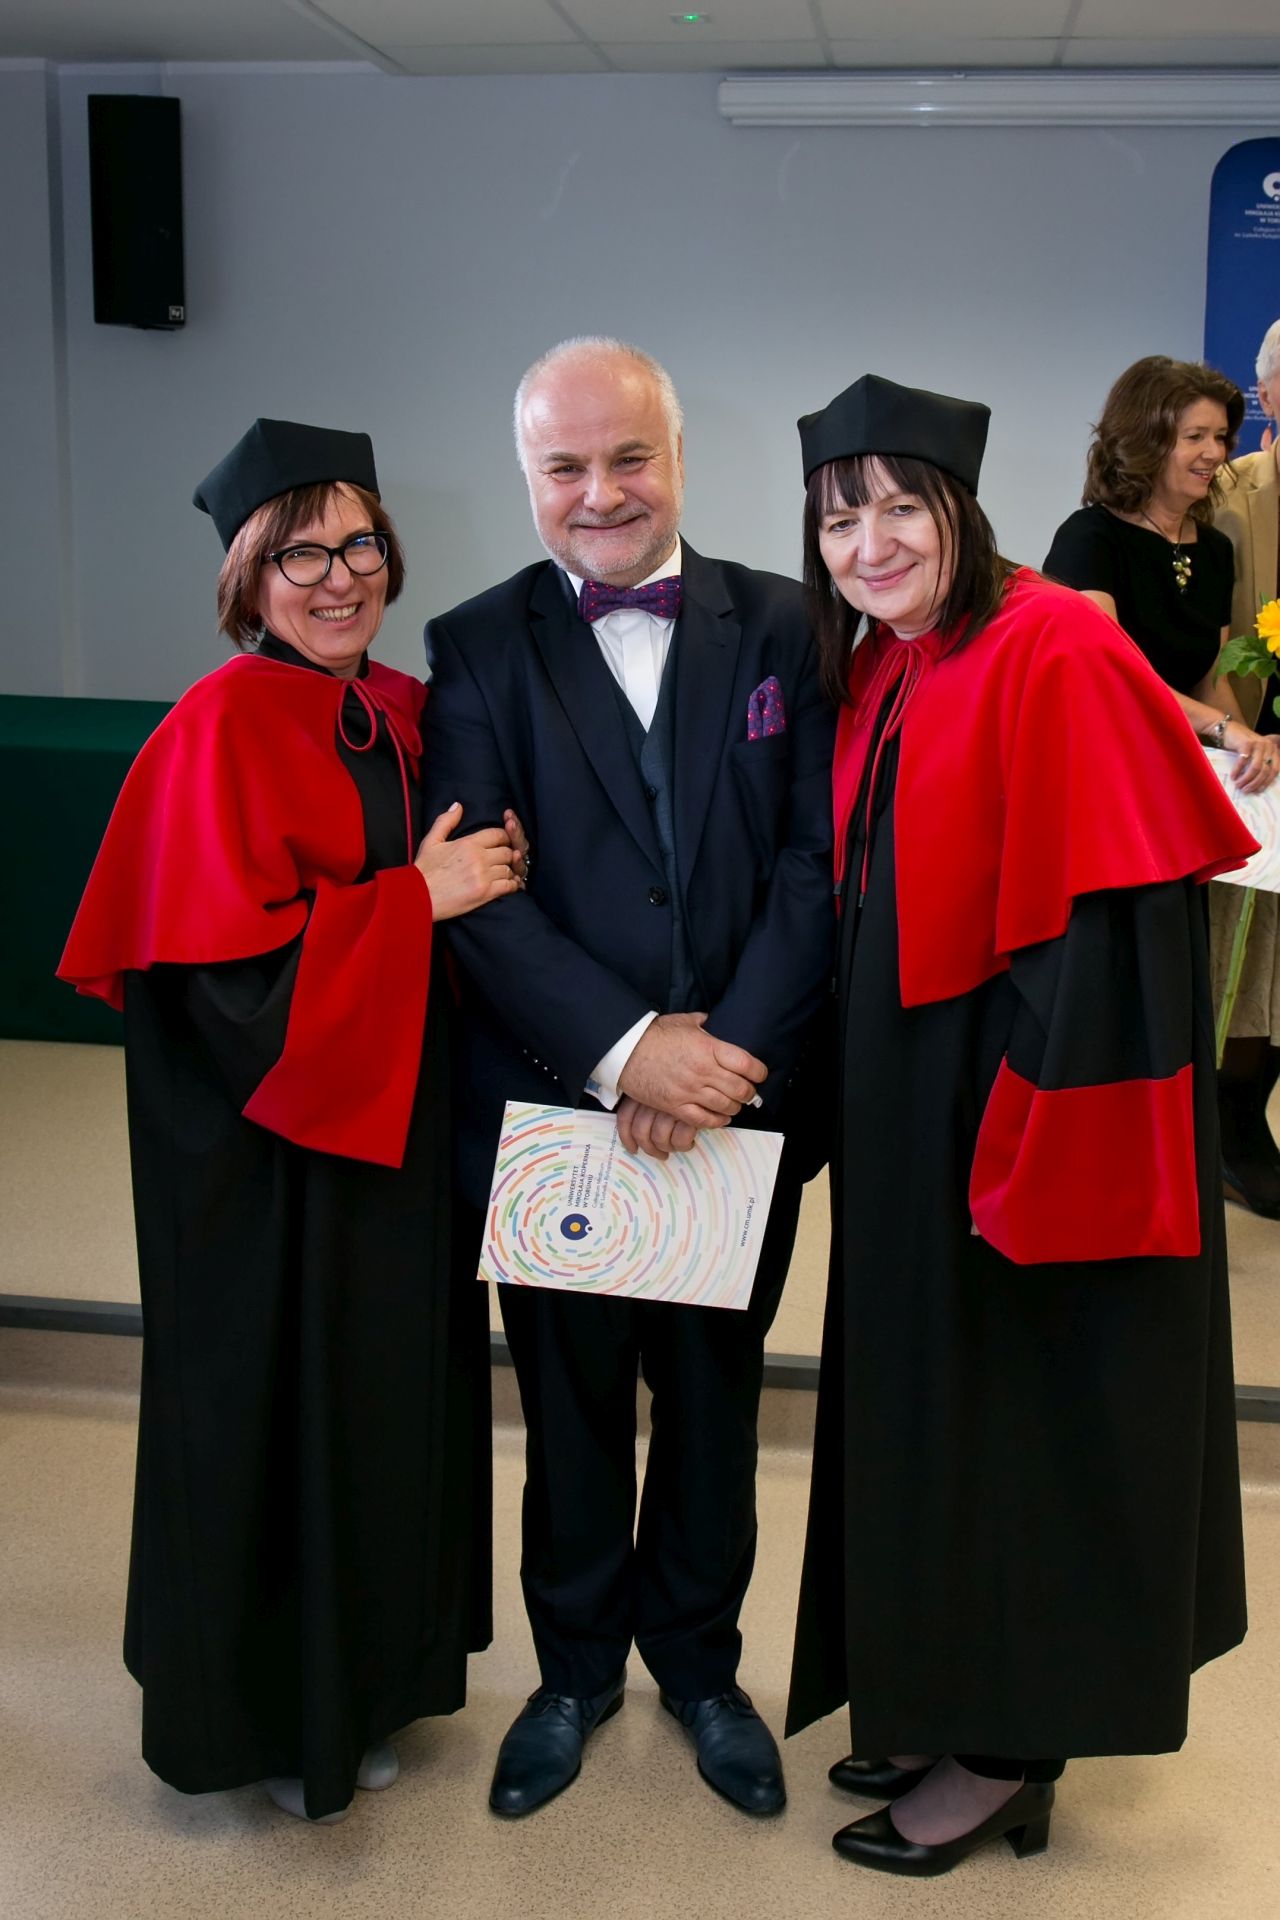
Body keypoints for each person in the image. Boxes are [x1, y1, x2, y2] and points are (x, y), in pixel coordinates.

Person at [786, 374, 1255, 1878]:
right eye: (838, 518)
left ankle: (1005, 1753)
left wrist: (1036, 1131)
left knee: (1023, 1414)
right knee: (937, 1406)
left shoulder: (1056, 641)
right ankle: (938, 1691)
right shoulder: (890, 656)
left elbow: (1121, 933)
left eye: (897, 506)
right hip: (913, 1110)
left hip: (1021, 1112)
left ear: (959, 509)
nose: (868, 543)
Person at [58, 420, 523, 1823]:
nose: (338, 578)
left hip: (397, 1142)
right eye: (299, 555)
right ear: (248, 581)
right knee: (274, 1411)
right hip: (264, 1165)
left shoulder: (408, 706)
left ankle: (375, 1683)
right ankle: (271, 1713)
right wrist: (412, 903)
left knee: (387, 1404)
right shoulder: (216, 729)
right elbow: (221, 988)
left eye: (359, 545)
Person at [423, 337, 835, 1820]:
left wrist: (713, 1060)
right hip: (554, 1101)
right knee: (571, 1406)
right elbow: (481, 897)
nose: (599, 492)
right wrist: (624, 1050)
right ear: (527, 478)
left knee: (715, 1403)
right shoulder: (474, 644)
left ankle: (704, 1670)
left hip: (741, 1096)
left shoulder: (787, 623)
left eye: (627, 458)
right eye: (564, 467)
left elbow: (815, 863)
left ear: (675, 458)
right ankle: (575, 1672)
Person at [1044, 355, 1280, 1215]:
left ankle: (1204, 1138)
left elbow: (1213, 673)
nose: (1215, 453)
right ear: (1146, 439)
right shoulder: (1089, 538)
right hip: (1108, 789)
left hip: (1184, 775)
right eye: (1195, 436)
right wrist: (1223, 728)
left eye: (1222, 435)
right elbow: (1116, 675)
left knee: (1199, 968)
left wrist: (1246, 753)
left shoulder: (1211, 549)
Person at [1211, 319, 1280, 1214]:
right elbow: (1205, 639)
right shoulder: (1225, 490)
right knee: (1248, 953)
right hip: (1250, 756)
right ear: (1266, 395)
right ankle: (1232, 1123)